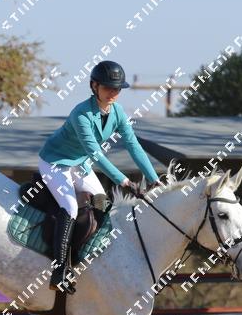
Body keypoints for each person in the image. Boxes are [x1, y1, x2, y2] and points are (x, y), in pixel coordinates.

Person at [38, 60, 159, 293]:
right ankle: (59, 271)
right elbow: (96, 154)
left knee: (102, 203)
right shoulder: (81, 114)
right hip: (55, 162)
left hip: (79, 163)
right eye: (108, 88)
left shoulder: (118, 112)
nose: (113, 93)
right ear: (94, 86)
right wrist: (124, 181)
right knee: (70, 207)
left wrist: (153, 178)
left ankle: (84, 255)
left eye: (117, 89)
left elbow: (133, 145)